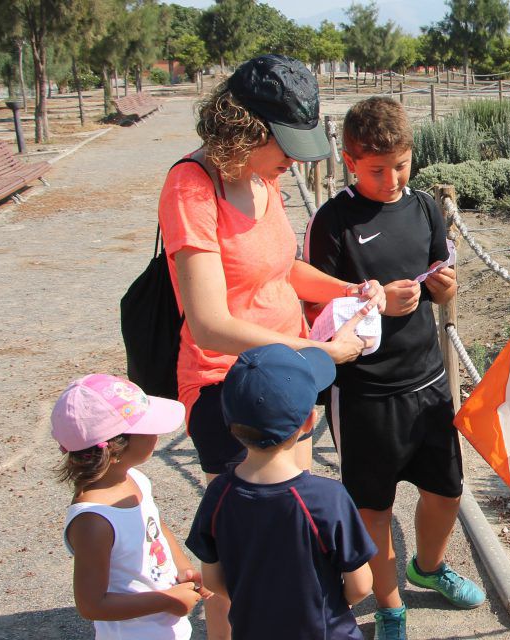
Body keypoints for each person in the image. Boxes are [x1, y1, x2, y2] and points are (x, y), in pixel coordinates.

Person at [157, 53, 384, 639]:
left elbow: (285, 272)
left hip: (288, 376)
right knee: (240, 555)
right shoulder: (192, 186)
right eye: (283, 143)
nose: (291, 158)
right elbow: (208, 322)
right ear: (246, 129)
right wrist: (313, 353)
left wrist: (348, 292)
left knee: (294, 535)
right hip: (231, 389)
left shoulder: (262, 177)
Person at [304, 96, 483, 639]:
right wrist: (373, 302)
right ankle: (388, 606)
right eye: (377, 170)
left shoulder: (427, 206)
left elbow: (440, 268)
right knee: (373, 509)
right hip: (363, 392)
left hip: (427, 379)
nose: (391, 179)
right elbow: (314, 311)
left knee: (447, 491)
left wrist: (444, 288)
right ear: (349, 161)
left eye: (401, 166)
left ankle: (426, 568)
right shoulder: (332, 222)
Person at [184, 344, 376, 640]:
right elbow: (361, 585)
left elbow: (213, 579)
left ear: (230, 424)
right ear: (309, 422)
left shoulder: (217, 494)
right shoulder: (328, 498)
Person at [56, 374, 213, 639]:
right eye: (147, 427)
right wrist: (166, 601)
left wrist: (182, 569)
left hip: (167, 627)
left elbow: (155, 528)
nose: (156, 434)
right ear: (115, 448)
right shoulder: (94, 522)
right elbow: (91, 604)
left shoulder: (134, 479)